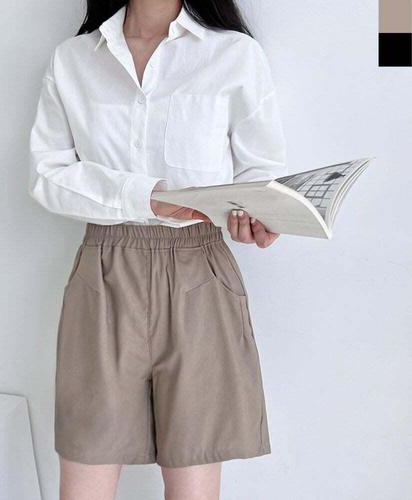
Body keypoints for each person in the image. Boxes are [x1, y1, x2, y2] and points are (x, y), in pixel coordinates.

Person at [28, 0, 287, 498]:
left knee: (193, 478)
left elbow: (261, 175)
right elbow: (47, 174)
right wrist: (147, 197)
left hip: (200, 273)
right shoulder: (74, 58)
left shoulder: (234, 54)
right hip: (104, 271)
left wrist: (259, 218)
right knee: (85, 473)